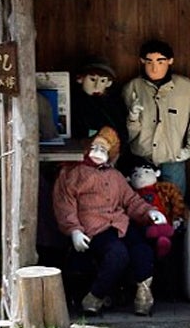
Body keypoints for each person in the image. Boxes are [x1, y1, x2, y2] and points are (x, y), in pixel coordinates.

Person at [52, 126, 168, 316]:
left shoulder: (115, 176)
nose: (98, 153)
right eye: (95, 147)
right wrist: (74, 230)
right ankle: (95, 296)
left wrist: (149, 212)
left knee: (143, 250)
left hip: (121, 224)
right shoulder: (71, 174)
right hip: (94, 228)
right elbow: (64, 205)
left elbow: (131, 200)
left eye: (104, 150)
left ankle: (143, 296)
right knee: (117, 254)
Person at [122, 39, 190, 195]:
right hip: (141, 159)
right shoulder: (132, 88)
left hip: (173, 158)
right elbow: (126, 132)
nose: (154, 68)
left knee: (174, 203)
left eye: (160, 62)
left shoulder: (188, 89)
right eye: (149, 62)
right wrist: (133, 117)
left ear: (170, 61)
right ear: (142, 61)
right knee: (141, 204)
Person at [127, 158, 187, 259]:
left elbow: (177, 200)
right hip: (144, 224)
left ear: (157, 173)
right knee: (145, 232)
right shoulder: (131, 194)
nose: (141, 176)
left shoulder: (165, 188)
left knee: (167, 232)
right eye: (136, 175)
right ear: (129, 179)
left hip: (165, 220)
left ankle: (162, 242)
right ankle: (160, 238)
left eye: (146, 172)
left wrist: (177, 217)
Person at [70, 55, 129, 144]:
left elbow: (122, 132)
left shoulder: (114, 104)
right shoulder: (73, 103)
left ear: (108, 83)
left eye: (102, 81)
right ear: (80, 79)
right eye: (92, 79)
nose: (97, 86)